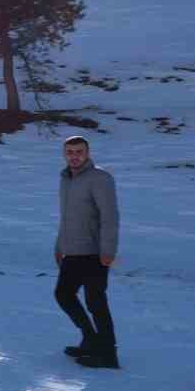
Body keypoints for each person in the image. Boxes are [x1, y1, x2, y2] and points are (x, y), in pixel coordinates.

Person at [54, 135, 120, 368]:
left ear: (88, 153)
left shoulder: (100, 178)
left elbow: (110, 218)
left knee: (96, 303)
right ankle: (91, 339)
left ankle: (108, 355)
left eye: (79, 151)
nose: (74, 156)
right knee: (63, 295)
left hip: (95, 252)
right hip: (72, 251)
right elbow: (67, 218)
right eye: (70, 152)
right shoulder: (66, 179)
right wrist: (59, 245)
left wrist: (108, 251)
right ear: (65, 154)